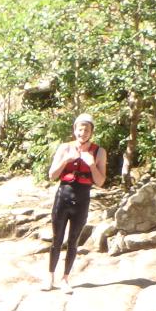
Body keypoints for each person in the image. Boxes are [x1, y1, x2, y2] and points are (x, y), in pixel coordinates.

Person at [46, 113, 107, 292]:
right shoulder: (65, 148)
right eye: (80, 129)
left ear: (91, 132)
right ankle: (50, 277)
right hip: (63, 196)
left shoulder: (99, 152)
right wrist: (66, 160)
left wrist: (92, 165)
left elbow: (101, 181)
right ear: (74, 130)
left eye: (87, 129)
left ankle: (65, 279)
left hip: (82, 198)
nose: (83, 132)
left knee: (73, 241)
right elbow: (52, 175)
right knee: (57, 239)